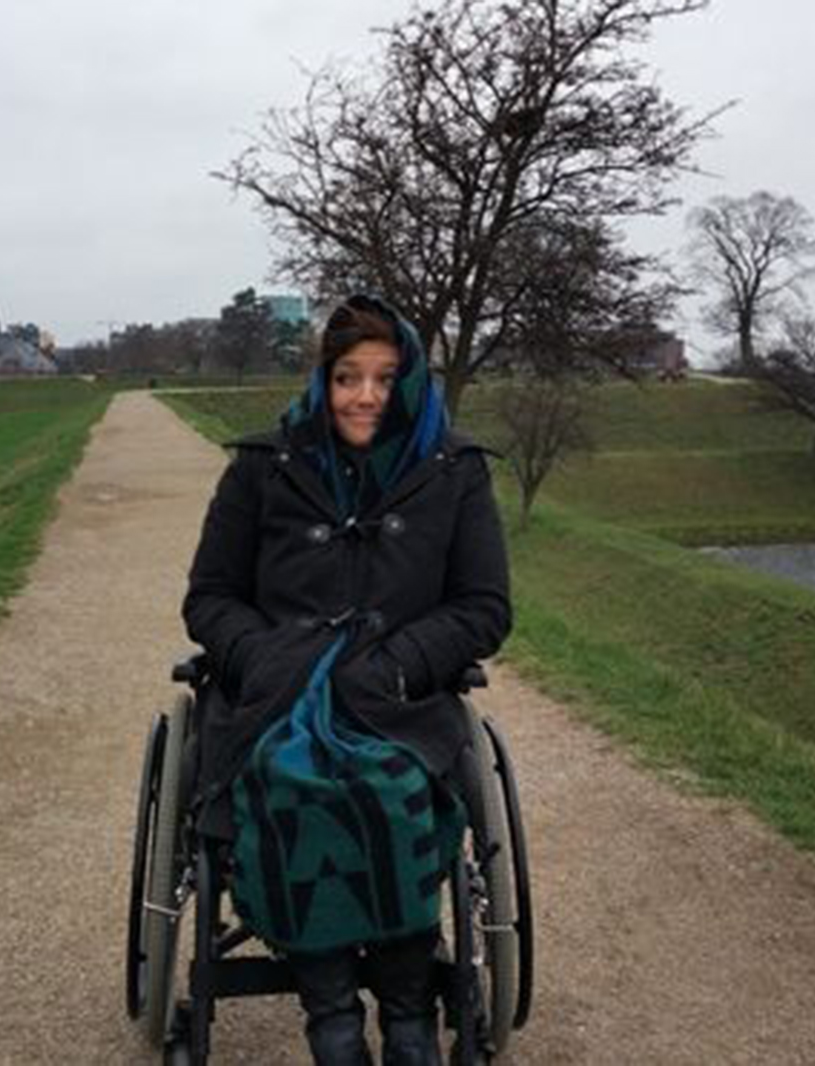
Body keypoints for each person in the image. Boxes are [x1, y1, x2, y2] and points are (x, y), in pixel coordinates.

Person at [183, 294, 512, 1065]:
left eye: (384, 378)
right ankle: (330, 1016)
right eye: (346, 377)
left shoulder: (454, 471)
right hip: (276, 692)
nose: (364, 396)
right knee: (286, 779)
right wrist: (259, 658)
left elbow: (483, 606)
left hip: (396, 697)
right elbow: (209, 597)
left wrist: (400, 664)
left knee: (390, 782)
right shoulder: (262, 467)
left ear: (411, 382)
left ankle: (406, 1012)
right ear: (322, 381)